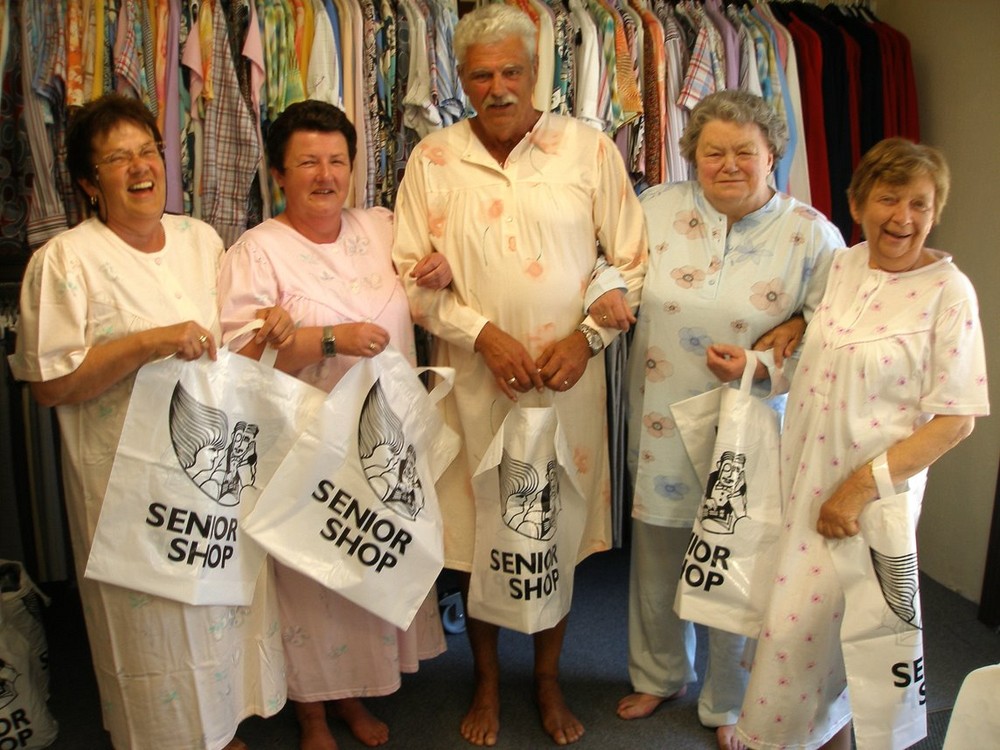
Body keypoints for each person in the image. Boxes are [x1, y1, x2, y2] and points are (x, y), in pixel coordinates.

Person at [391, 5, 647, 746]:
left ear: (535, 71)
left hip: (568, 385)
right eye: (482, 74)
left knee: (553, 530)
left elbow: (631, 259)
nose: (498, 87)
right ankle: (488, 681)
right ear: (461, 80)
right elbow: (409, 279)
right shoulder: (432, 159)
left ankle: (547, 678)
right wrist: (483, 334)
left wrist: (591, 337)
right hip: (476, 383)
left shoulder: (588, 149)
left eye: (512, 71)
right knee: (479, 535)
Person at [8, 93, 294, 750]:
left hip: (211, 476)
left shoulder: (200, 239)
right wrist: (146, 341)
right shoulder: (65, 261)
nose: (140, 168)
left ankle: (217, 729)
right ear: (88, 181)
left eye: (148, 152)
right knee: (155, 629)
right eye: (117, 158)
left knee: (222, 608)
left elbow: (223, 346)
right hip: (130, 495)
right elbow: (51, 385)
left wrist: (272, 327)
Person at [707, 137, 989, 749]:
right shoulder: (847, 265)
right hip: (802, 477)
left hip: (864, 501)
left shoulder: (950, 295)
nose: (904, 218)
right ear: (858, 203)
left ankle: (765, 738)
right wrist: (759, 365)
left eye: (921, 203)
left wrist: (858, 491)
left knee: (792, 633)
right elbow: (820, 362)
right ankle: (827, 738)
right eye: (889, 199)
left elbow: (955, 420)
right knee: (822, 636)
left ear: (936, 211)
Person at [216, 99, 452, 750]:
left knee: (367, 566)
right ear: (278, 174)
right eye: (307, 163)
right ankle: (313, 709)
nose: (325, 175)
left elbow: (428, 281)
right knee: (311, 580)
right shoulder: (256, 252)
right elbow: (235, 354)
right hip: (304, 452)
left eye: (337, 161)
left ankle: (354, 697)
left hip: (385, 441)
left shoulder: (380, 225)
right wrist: (327, 338)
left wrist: (444, 268)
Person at [620, 90, 844, 750]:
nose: (728, 164)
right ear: (692, 156)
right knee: (659, 553)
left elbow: (833, 336)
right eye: (712, 151)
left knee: (734, 558)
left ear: (773, 154)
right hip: (660, 419)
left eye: (745, 151)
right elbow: (615, 273)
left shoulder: (812, 234)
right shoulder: (655, 208)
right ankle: (659, 675)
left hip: (751, 429)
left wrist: (764, 360)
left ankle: (728, 701)